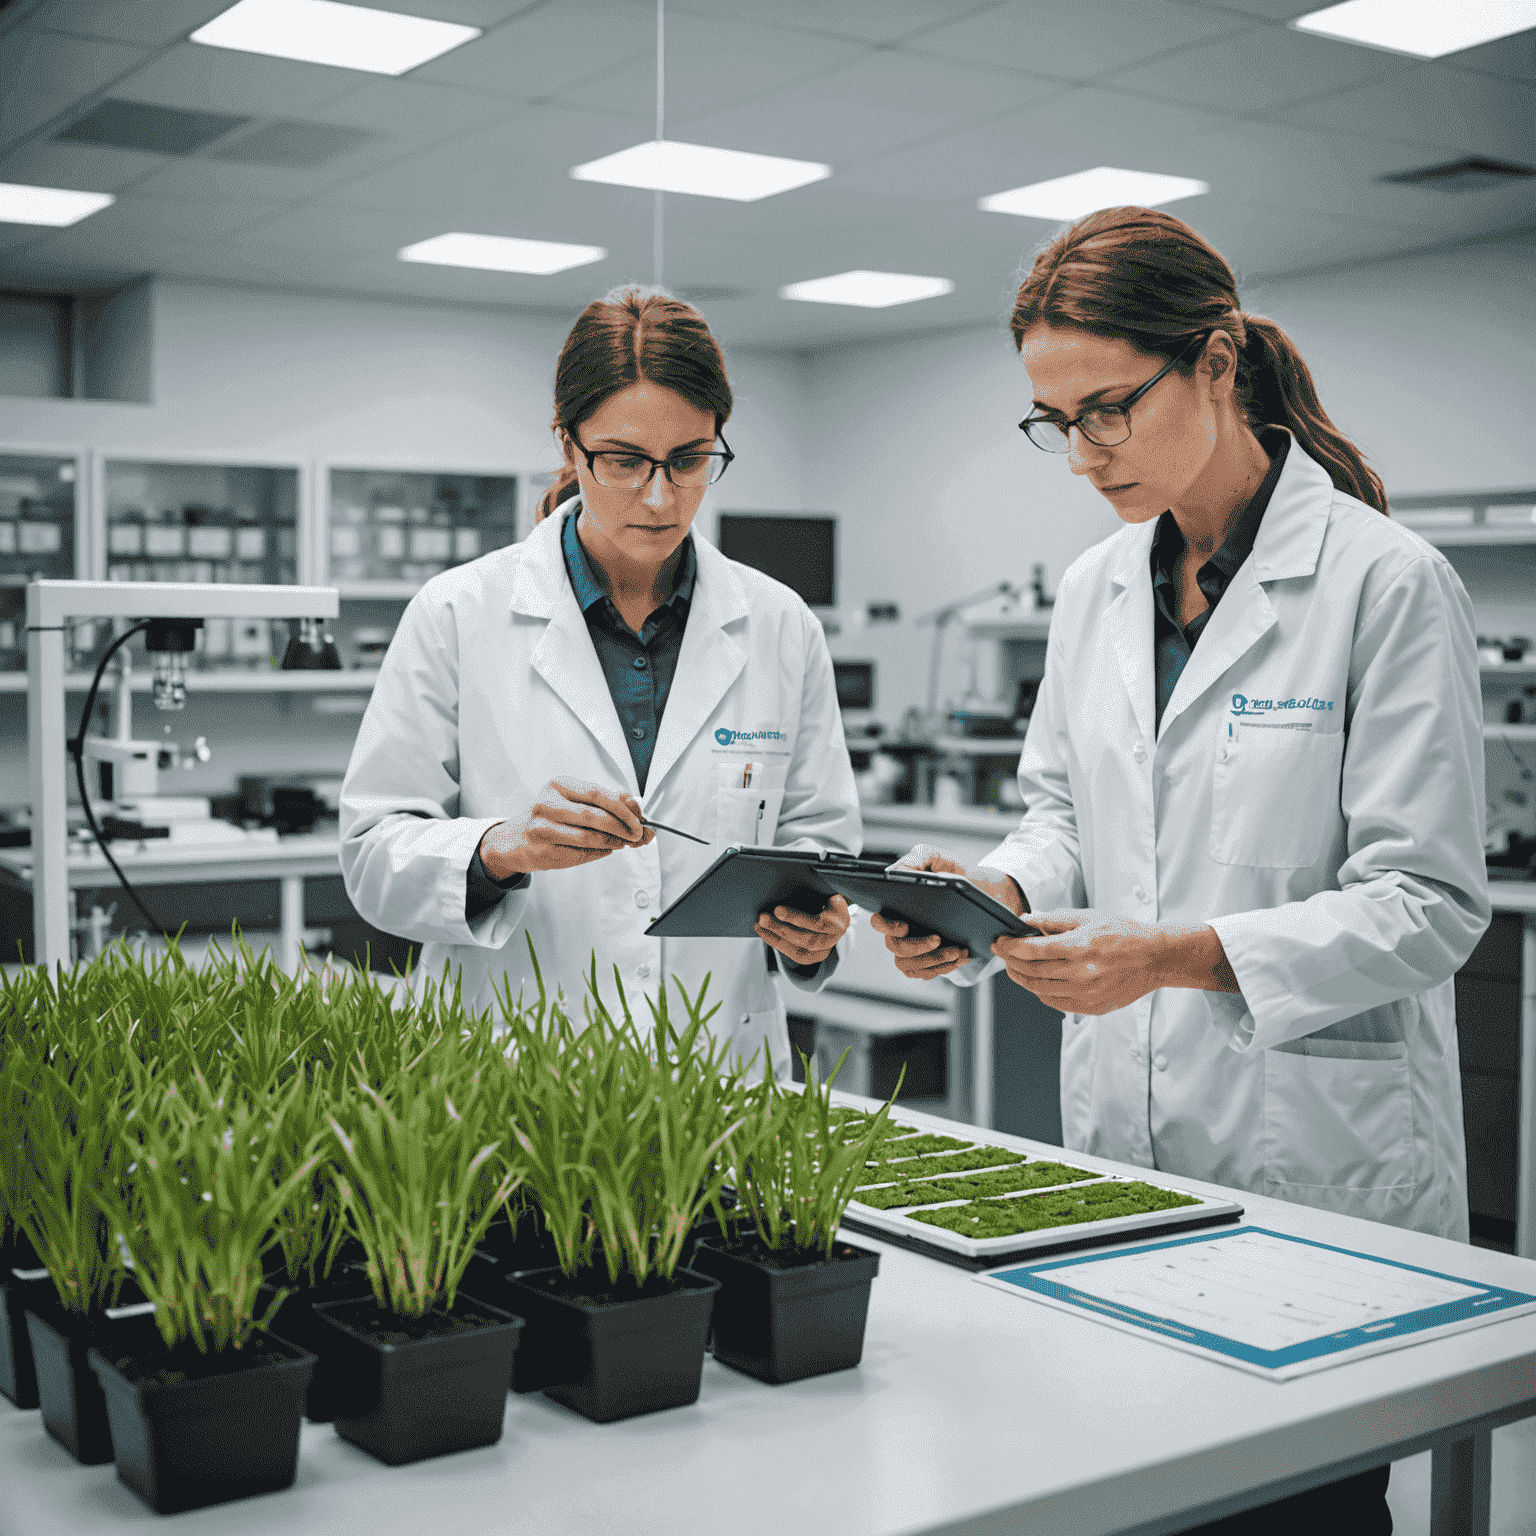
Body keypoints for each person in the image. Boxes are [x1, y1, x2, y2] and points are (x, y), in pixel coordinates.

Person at [875, 207, 1490, 1532]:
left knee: (1297, 1507)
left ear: (1215, 364)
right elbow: (1062, 812)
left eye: (1110, 408)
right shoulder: (1098, 587)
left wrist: (1175, 958)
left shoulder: (1385, 584)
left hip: (1317, 1154)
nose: (1086, 454)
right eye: (1057, 423)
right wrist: (997, 894)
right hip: (1126, 1146)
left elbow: (1429, 905)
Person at [341, 286, 857, 1071]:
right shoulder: (458, 612)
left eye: (690, 460)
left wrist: (811, 929)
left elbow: (818, 843)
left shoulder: (779, 623)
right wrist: (500, 848)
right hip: (514, 1078)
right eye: (622, 462)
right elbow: (373, 856)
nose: (660, 496)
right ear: (568, 444)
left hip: (720, 1073)